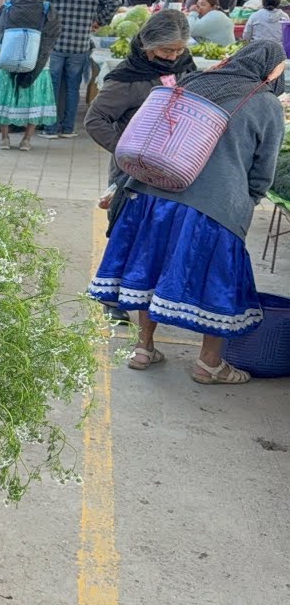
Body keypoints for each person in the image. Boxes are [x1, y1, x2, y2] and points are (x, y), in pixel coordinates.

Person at [90, 40, 284, 385]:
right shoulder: (265, 103)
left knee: (150, 266)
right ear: (270, 71)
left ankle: (143, 348)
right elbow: (262, 174)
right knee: (220, 279)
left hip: (152, 193)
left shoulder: (193, 81)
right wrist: (244, 202)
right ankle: (209, 364)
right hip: (213, 206)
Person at [84, 10, 196, 324]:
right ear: (146, 45)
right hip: (133, 170)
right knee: (125, 230)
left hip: (171, 166)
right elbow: (95, 120)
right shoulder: (127, 78)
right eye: (165, 51)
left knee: (158, 232)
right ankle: (111, 299)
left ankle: (149, 294)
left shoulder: (184, 67)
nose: (173, 57)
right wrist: (128, 152)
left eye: (178, 50)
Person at [45, 0, 121, 139]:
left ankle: (51, 128)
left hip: (56, 43)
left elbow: (44, 8)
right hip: (80, 44)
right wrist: (99, 20)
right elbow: (115, 1)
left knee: (53, 86)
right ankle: (68, 128)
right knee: (73, 87)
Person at [0, 0, 61, 151]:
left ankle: (5, 138)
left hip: (9, 60)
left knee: (6, 98)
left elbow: (0, 33)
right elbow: (52, 36)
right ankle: (26, 140)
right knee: (34, 100)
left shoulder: (9, 8)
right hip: (39, 63)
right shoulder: (48, 9)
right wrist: (38, 56)